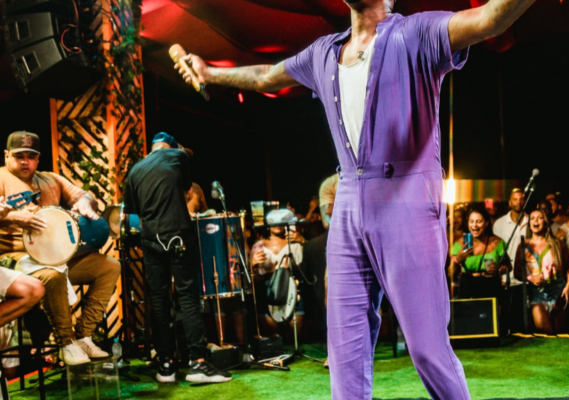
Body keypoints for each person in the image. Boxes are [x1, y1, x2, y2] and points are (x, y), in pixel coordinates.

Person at [177, 0, 537, 397]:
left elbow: (490, 18)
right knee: (345, 353)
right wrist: (210, 73)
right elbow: (266, 75)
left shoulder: (414, 34)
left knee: (427, 349)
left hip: (407, 201)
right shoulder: (323, 52)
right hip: (348, 202)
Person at [0, 131, 120, 366]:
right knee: (51, 276)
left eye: (30, 157)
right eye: (19, 156)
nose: (25, 161)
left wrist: (85, 203)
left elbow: (84, 195)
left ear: (38, 158)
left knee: (109, 266)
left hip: (55, 256)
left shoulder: (49, 180)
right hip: (14, 261)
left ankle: (83, 337)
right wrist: (13, 217)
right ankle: (66, 343)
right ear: (6, 155)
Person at [123, 132, 232, 383]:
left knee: (159, 300)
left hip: (150, 238)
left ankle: (166, 366)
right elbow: (187, 193)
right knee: (188, 297)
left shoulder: (135, 170)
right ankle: (198, 364)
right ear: (170, 147)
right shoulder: (178, 155)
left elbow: (134, 212)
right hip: (178, 233)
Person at [249, 208, 306, 340]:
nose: (278, 225)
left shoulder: (294, 243)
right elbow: (253, 278)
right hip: (268, 290)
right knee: (272, 338)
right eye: (274, 222)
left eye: (282, 222)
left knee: (296, 336)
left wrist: (303, 241)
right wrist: (252, 264)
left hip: (291, 287)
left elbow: (306, 268)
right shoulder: (259, 245)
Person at [514, 209, 569, 334]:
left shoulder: (557, 244)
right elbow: (517, 272)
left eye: (539, 218)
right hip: (537, 295)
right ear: (529, 224)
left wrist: (568, 285)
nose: (535, 220)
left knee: (560, 334)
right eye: (532, 218)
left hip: (558, 294)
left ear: (545, 222)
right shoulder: (523, 246)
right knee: (545, 332)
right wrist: (530, 278)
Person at [449, 207, 507, 304]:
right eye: (471, 221)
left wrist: (498, 269)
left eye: (479, 221)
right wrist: (457, 259)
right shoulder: (460, 244)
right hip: (468, 287)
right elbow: (450, 273)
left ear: (486, 223)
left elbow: (508, 266)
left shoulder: (497, 242)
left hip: (491, 286)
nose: (474, 225)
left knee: (491, 313)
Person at [492, 188, 529, 334]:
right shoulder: (500, 224)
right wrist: (501, 276)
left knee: (524, 320)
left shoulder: (531, 221)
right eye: (515, 199)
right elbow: (496, 251)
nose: (519, 202)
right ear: (509, 202)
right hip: (507, 278)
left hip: (527, 278)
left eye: (521, 199)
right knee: (507, 318)